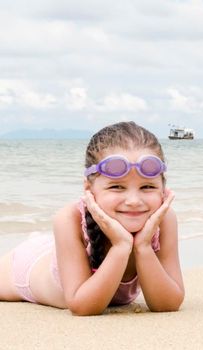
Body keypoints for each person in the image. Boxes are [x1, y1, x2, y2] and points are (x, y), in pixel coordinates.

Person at [0, 121, 185, 315]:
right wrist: (121, 247)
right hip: (25, 269)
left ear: (163, 189)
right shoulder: (69, 219)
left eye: (147, 187)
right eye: (117, 187)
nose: (133, 200)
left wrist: (143, 246)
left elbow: (168, 304)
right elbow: (82, 306)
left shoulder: (164, 221)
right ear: (89, 188)